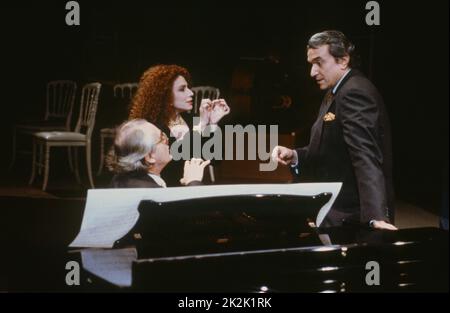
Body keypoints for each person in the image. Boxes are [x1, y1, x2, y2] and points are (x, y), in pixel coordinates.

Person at [272, 30, 396, 230]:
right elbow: (330, 148)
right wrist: (295, 155)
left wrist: (376, 217)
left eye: (319, 62)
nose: (312, 72)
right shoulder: (335, 91)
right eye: (311, 64)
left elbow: (365, 156)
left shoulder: (354, 92)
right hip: (334, 212)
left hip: (352, 218)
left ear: (343, 60)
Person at [128, 64, 230, 186]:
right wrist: (201, 125)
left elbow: (215, 159)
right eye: (182, 89)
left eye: (188, 88)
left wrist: (213, 123)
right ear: (166, 96)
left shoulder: (192, 120)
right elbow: (174, 164)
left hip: (191, 189)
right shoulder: (152, 127)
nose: (191, 93)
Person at [107, 119, 210, 188]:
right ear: (150, 156)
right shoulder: (150, 192)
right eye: (162, 138)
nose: (167, 140)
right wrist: (193, 182)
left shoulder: (120, 179)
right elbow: (186, 218)